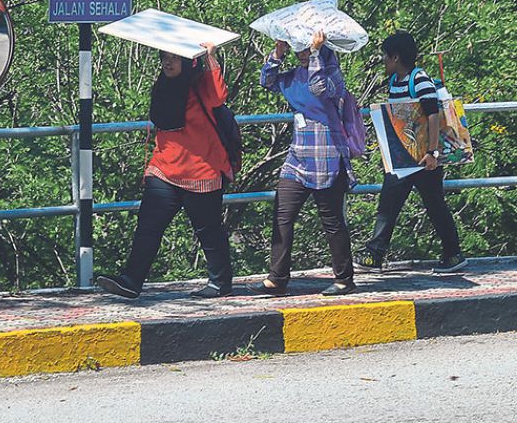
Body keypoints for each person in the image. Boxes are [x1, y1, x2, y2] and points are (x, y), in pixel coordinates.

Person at [96, 43, 234, 299]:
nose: (168, 63)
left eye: (174, 58)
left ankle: (220, 282)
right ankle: (131, 280)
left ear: (188, 61)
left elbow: (218, 97)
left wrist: (211, 57)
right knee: (148, 225)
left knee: (208, 230)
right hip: (164, 169)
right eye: (164, 57)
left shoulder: (200, 84)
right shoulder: (163, 86)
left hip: (201, 170)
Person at [247, 31, 357, 297]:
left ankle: (344, 279)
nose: (303, 55)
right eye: (301, 50)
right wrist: (278, 53)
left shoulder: (332, 73)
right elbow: (267, 80)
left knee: (331, 220)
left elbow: (319, 88)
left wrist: (318, 52)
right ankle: (277, 277)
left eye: (306, 49)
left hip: (327, 155)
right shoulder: (293, 75)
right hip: (298, 155)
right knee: (283, 214)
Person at [354, 32, 467, 274]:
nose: (383, 60)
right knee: (389, 203)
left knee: (433, 205)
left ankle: (453, 253)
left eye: (386, 56)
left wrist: (432, 153)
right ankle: (376, 254)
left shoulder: (420, 80)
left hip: (423, 158)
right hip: (404, 157)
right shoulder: (395, 80)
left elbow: (433, 115)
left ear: (396, 57)